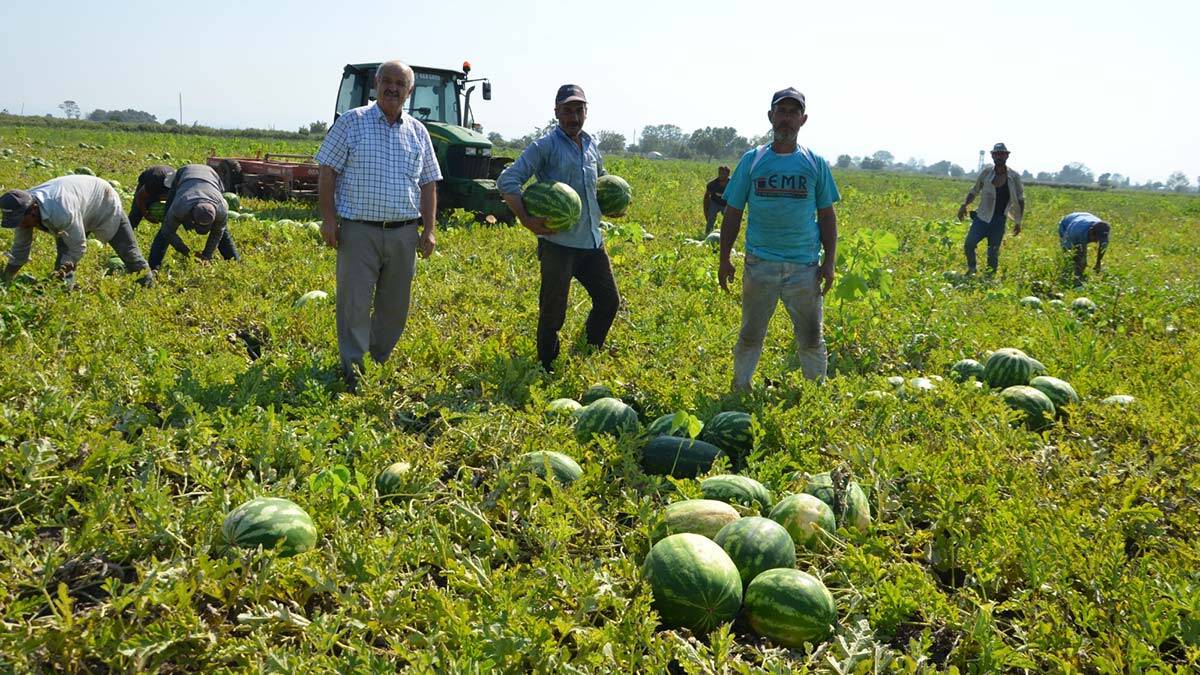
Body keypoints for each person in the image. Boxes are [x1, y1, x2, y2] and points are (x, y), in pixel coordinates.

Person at [315, 60, 441, 389]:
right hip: (358, 231)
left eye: (400, 84)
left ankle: (377, 359)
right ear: (376, 84)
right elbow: (327, 170)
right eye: (387, 81)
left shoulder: (418, 132)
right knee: (354, 303)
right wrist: (328, 219)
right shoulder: (351, 122)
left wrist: (429, 229)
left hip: (403, 233)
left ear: (409, 91)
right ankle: (355, 372)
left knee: (394, 307)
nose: (393, 88)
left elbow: (429, 183)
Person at [718, 87, 840, 390]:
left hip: (804, 267)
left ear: (803, 119)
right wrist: (724, 258)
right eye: (781, 112)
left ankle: (815, 392)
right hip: (760, 264)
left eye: (793, 112)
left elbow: (827, 215)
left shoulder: (814, 163)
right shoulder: (753, 160)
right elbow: (733, 212)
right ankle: (740, 387)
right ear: (771, 116)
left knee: (811, 337)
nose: (786, 118)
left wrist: (829, 262)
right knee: (750, 334)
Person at [497, 83, 620, 373]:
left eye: (579, 110)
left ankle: (587, 350)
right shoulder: (544, 146)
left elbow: (600, 181)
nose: (573, 117)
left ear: (586, 112)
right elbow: (507, 181)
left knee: (609, 301)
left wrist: (613, 204)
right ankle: (546, 366)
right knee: (553, 313)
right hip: (558, 245)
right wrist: (526, 219)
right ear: (556, 112)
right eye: (567, 111)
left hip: (591, 242)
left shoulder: (591, 145)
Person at [1, 175, 153, 287]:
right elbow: (20, 248)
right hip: (78, 203)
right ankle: (64, 292)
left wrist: (59, 273)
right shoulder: (21, 208)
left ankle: (147, 284)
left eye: (20, 221)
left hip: (103, 200)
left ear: (33, 210)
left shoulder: (61, 211)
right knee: (64, 252)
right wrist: (5, 279)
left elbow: (77, 247)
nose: (19, 225)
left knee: (128, 251)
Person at [146, 164, 240, 270]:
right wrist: (187, 252)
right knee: (165, 228)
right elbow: (168, 231)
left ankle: (235, 265)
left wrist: (206, 256)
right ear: (191, 217)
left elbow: (217, 233)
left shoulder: (221, 208)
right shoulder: (180, 207)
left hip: (211, 175)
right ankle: (153, 267)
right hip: (185, 174)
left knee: (223, 231)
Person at [957, 143, 1025, 274]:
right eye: (996, 154)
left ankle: (989, 278)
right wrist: (964, 205)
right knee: (969, 244)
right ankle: (972, 269)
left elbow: (1020, 199)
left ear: (1007, 156)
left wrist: (1018, 221)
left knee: (993, 252)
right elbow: (974, 191)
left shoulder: (1014, 176)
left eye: (1002, 154)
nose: (999, 156)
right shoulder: (986, 173)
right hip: (981, 218)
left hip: (999, 220)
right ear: (992, 156)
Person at [1058, 212, 1109, 285]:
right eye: (1095, 239)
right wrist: (1080, 260)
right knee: (1074, 257)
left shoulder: (1103, 231)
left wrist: (1098, 263)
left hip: (1085, 218)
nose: (1096, 241)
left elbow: (1103, 247)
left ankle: (1079, 277)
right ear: (1091, 232)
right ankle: (1066, 277)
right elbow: (1067, 249)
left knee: (1082, 259)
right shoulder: (1076, 231)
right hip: (1066, 224)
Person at [703, 166, 731, 235]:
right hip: (714, 202)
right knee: (711, 218)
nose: (721, 175)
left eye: (723, 174)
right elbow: (706, 197)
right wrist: (706, 211)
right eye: (720, 173)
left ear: (728, 174)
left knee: (729, 219)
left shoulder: (732, 184)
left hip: (726, 203)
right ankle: (707, 234)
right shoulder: (712, 184)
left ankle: (728, 234)